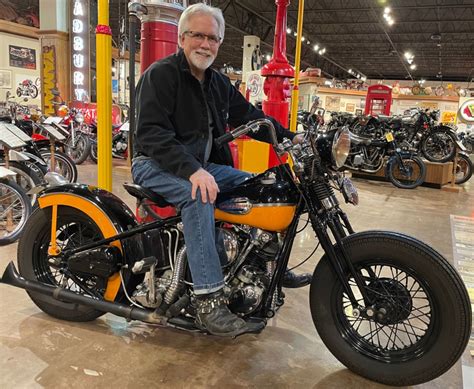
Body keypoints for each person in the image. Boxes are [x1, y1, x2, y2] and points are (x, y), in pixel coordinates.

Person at [132, 3, 311, 337]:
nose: (205, 44)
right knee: (198, 195)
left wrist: (291, 138)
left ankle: (268, 262)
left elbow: (250, 118)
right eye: (198, 35)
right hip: (154, 164)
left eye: (212, 38)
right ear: (182, 38)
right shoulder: (161, 75)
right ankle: (208, 300)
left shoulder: (216, 82)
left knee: (263, 186)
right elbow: (152, 135)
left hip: (200, 165)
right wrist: (192, 171)